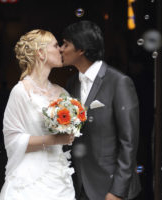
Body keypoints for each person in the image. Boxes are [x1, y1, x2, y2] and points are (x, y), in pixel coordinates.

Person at [61, 20, 141, 200]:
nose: (60, 49)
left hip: (110, 188)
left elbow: (129, 142)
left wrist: (117, 192)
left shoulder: (119, 82)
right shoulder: (71, 83)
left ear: (81, 49)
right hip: (80, 185)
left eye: (66, 44)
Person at [0, 29, 76, 200]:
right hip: (29, 180)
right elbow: (12, 139)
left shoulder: (62, 93)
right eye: (55, 45)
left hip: (58, 177)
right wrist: (54, 140)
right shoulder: (21, 92)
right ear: (40, 53)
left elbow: (71, 131)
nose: (61, 49)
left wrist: (72, 130)